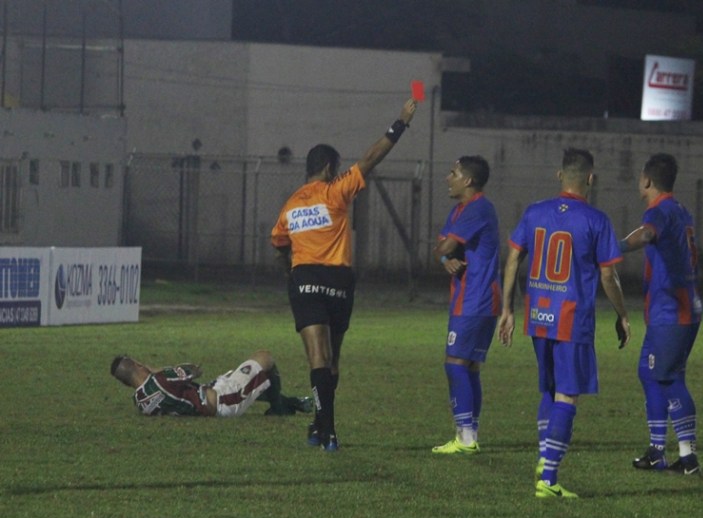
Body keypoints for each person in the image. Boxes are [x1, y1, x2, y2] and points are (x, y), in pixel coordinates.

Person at [270, 98, 418, 451]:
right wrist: (400, 123)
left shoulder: (291, 204)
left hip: (304, 279)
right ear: (329, 166)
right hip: (338, 281)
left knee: (316, 358)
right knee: (332, 359)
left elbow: (278, 242)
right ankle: (323, 428)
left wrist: (289, 272)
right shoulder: (336, 193)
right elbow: (370, 159)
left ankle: (326, 429)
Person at [498, 147, 630, 498]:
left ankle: (544, 457)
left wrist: (507, 309)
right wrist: (623, 314)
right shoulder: (596, 220)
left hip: (538, 316)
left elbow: (512, 258)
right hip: (572, 320)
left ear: (560, 176)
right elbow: (608, 277)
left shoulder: (535, 212)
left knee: (549, 389)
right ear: (591, 178)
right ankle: (549, 477)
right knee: (567, 395)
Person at [620, 153, 703, 475]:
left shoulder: (659, 211)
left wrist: (614, 248)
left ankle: (689, 458)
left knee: (669, 377)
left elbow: (647, 234)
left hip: (673, 310)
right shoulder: (680, 209)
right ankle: (657, 451)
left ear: (647, 181)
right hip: (675, 307)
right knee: (648, 372)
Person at [431, 156, 501, 455]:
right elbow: (441, 251)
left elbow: (445, 245)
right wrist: (447, 260)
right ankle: (469, 434)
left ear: (468, 181)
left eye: (453, 173)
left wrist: (446, 252)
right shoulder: (459, 210)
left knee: (455, 363)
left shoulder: (478, 209)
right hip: (472, 297)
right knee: (470, 367)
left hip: (476, 298)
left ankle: (465, 436)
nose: (448, 178)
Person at [110, 349, 312, 417]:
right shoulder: (160, 379)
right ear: (137, 364)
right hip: (224, 401)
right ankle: (279, 409)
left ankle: (293, 403)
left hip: (210, 392)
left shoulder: (140, 401)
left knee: (249, 381)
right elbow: (194, 370)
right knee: (265, 358)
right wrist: (153, 369)